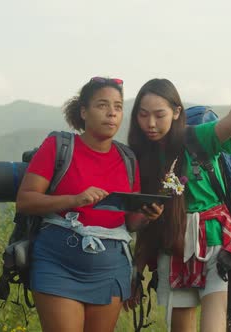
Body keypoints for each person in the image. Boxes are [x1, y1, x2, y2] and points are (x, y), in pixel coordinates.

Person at [126, 50, 231, 332]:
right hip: (173, 248)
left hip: (216, 246)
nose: (150, 123)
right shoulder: (141, 157)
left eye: (159, 114)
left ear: (177, 112)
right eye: (143, 115)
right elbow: (143, 223)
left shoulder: (196, 139)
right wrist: (136, 269)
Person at [16, 77, 163, 332]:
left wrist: (148, 215)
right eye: (102, 105)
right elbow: (25, 200)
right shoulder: (59, 146)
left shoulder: (127, 158)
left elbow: (129, 222)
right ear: (83, 111)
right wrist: (74, 200)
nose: (111, 113)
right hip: (58, 264)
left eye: (118, 107)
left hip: (110, 269)